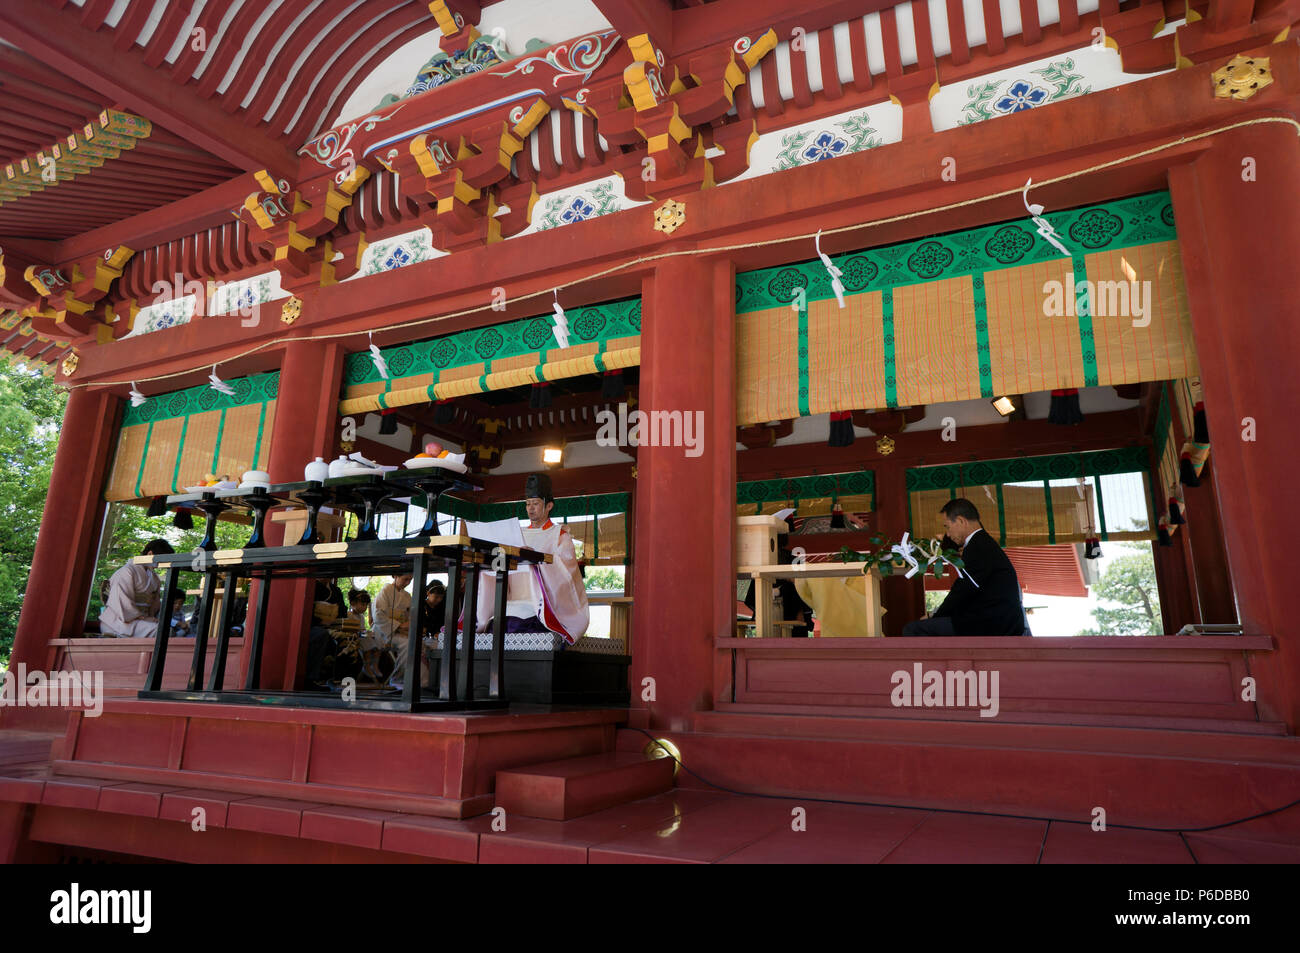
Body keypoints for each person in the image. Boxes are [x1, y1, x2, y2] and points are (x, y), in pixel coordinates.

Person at [473, 473, 589, 643]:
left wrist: (534, 559)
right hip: (511, 601)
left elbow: (567, 570)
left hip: (541, 604)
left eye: (535, 503)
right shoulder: (518, 534)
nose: (530, 508)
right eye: (527, 504)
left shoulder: (560, 535)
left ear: (549, 506)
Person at [901, 498, 1026, 637]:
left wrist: (935, 616)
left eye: (947, 526)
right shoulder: (982, 543)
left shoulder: (978, 546)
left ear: (961, 521)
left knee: (914, 630)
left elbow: (963, 590)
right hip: (997, 620)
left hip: (992, 623)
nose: (947, 534)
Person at [99, 539, 174, 638]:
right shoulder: (126, 572)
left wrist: (151, 617)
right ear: (150, 554)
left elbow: (154, 603)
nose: (159, 566)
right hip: (119, 622)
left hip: (140, 620)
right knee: (162, 631)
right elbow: (122, 601)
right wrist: (143, 618)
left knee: (167, 630)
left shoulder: (154, 578)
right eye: (160, 561)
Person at [374, 573, 414, 688]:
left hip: (400, 632)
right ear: (395, 576)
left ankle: (418, 680)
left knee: (421, 644)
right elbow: (378, 616)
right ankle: (398, 679)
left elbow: (410, 616)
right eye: (405, 579)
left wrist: (409, 624)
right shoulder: (385, 592)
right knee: (407, 644)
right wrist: (400, 626)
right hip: (383, 633)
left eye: (410, 580)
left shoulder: (407, 595)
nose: (407, 583)